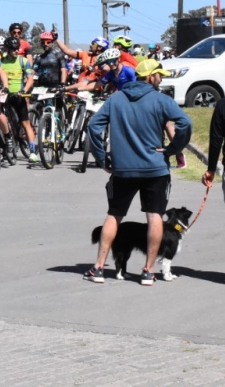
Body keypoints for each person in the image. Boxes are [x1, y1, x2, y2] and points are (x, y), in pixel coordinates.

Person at [85, 58, 191, 286]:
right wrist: (174, 148)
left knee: (114, 215)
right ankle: (148, 272)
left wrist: (103, 159)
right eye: (159, 75)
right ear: (151, 77)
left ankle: (99, 268)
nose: (160, 79)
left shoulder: (116, 99)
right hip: (155, 169)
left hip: (123, 170)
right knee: (154, 217)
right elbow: (185, 123)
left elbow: (94, 127)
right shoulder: (162, 100)